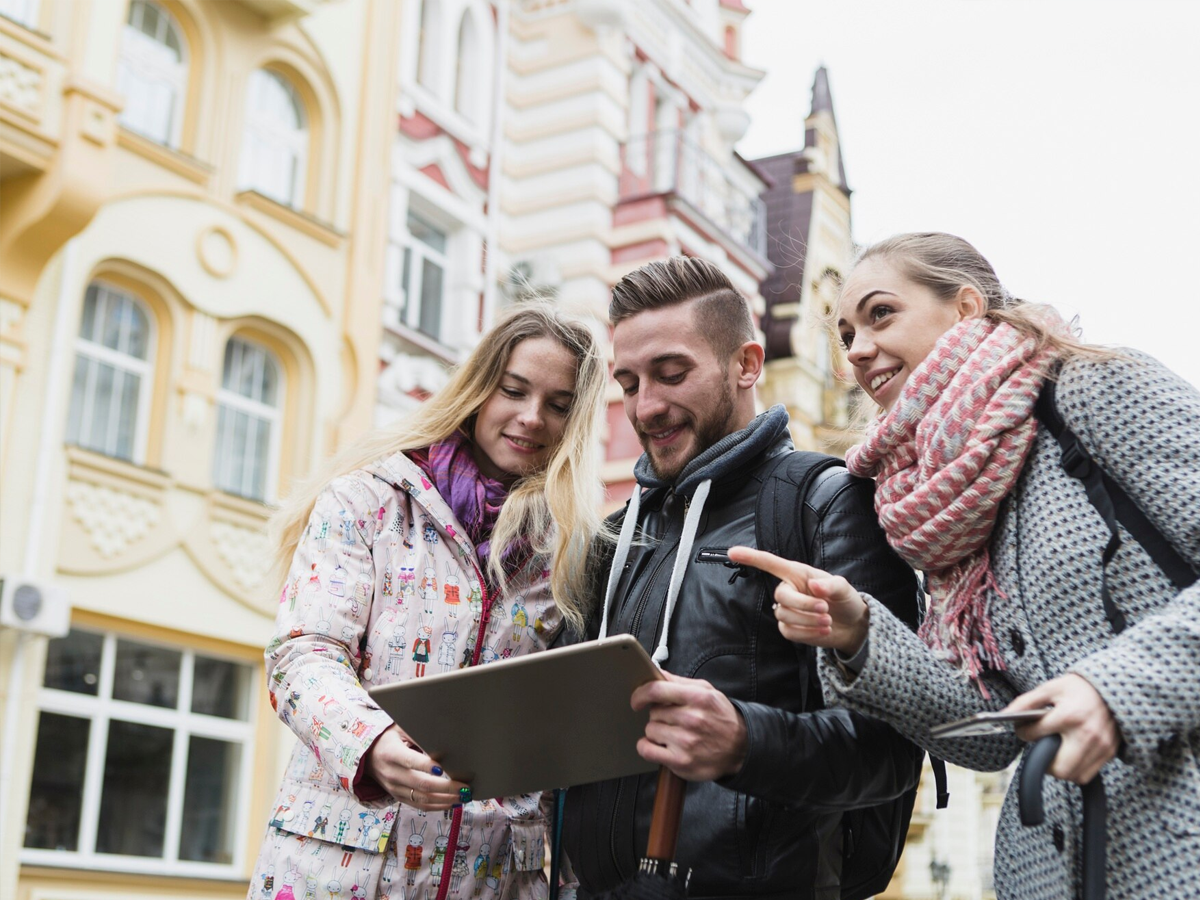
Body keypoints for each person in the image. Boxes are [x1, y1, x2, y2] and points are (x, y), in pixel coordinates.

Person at [730, 232, 1200, 900]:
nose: (858, 348)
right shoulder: (930, 504)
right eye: (845, 333)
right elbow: (990, 735)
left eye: (880, 314)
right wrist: (859, 632)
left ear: (966, 308)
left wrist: (1114, 692)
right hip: (1053, 871)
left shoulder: (1091, 387)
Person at [559, 257, 924, 899]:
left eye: (672, 375)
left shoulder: (829, 503)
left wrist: (744, 742)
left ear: (747, 365)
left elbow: (889, 753)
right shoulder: (614, 538)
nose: (647, 406)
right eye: (629, 382)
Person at [248, 302, 609, 900]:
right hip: (341, 872)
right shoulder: (367, 501)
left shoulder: (571, 555)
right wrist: (371, 743)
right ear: (477, 388)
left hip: (495, 879)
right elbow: (303, 653)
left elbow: (566, 742)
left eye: (559, 404)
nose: (531, 418)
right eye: (513, 390)